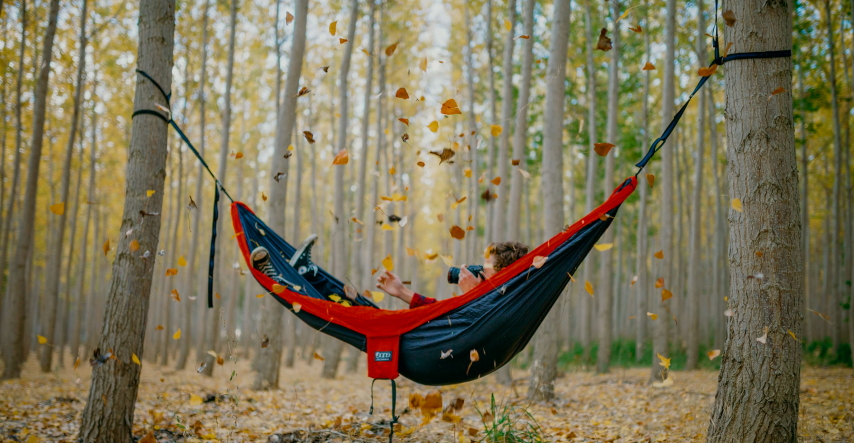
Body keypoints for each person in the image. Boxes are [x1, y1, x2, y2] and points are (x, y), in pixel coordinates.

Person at [375, 241, 529, 309]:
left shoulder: (504, 305)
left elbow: (468, 326)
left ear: (502, 274)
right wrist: (402, 291)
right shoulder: (489, 301)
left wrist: (471, 294)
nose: (481, 271)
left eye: (486, 267)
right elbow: (443, 314)